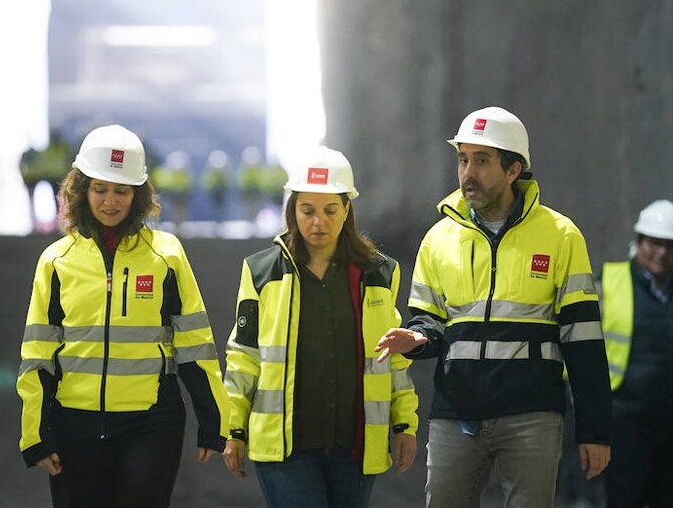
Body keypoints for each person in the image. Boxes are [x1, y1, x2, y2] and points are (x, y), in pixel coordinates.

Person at [377, 105, 612, 508]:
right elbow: (429, 322)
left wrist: (595, 429)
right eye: (463, 159)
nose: (468, 172)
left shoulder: (561, 236)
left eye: (482, 161)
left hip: (532, 414)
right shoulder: (438, 240)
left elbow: (584, 339)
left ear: (513, 169)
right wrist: (416, 338)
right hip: (456, 414)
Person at [17, 124, 228, 507]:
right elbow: (37, 357)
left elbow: (195, 342)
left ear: (138, 194)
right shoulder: (56, 262)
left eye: (121, 191)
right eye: (100, 189)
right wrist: (36, 432)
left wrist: (214, 419)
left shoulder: (167, 255)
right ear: (82, 191)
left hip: (151, 423)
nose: (110, 201)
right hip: (73, 424)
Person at [222, 146, 419, 507]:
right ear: (292, 211)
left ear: (347, 210)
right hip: (285, 447)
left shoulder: (379, 274)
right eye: (307, 210)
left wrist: (404, 424)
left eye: (330, 210)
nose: (318, 222)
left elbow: (393, 357)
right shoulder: (262, 272)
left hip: (355, 446)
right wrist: (233, 428)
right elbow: (244, 356)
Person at [599, 199, 673, 508]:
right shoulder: (610, 282)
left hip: (669, 419)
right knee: (626, 497)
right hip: (625, 419)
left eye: (669, 246)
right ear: (639, 242)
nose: (662, 253)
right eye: (654, 244)